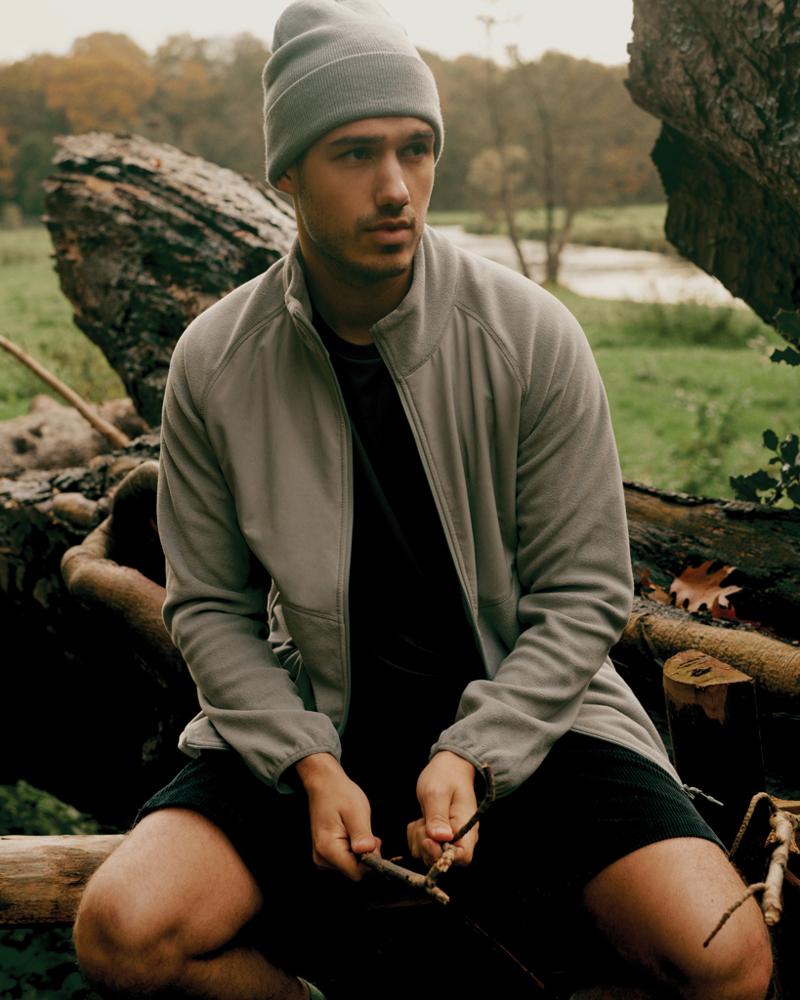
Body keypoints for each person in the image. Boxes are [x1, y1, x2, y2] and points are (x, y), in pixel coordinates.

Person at [73, 2, 773, 998]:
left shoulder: (529, 335)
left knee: (726, 962)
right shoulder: (217, 361)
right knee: (122, 932)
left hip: (532, 712)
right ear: (287, 172)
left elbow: (581, 593)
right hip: (311, 712)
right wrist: (307, 762)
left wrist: (477, 752)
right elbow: (211, 610)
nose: (395, 186)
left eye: (415, 147)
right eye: (355, 153)